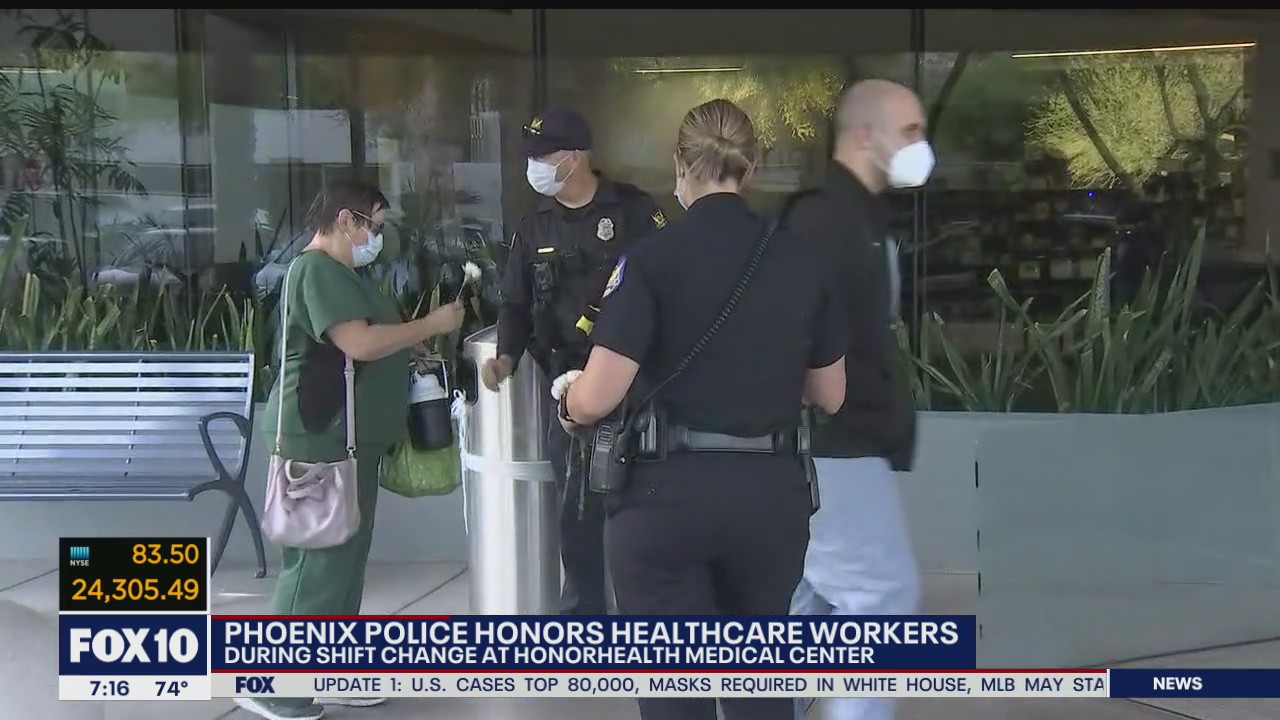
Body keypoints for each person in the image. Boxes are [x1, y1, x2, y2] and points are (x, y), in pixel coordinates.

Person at [556, 98, 848, 720]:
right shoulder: (801, 260)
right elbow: (830, 394)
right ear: (752, 166)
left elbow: (598, 395)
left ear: (679, 164)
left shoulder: (652, 260)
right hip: (771, 499)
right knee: (762, 692)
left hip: (665, 501)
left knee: (673, 696)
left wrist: (571, 403)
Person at [237, 179, 465, 720]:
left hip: (352, 441)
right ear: (347, 219)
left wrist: (409, 351)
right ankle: (277, 686)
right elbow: (358, 342)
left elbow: (371, 343)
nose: (377, 238)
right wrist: (428, 325)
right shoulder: (314, 270)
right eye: (376, 226)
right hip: (318, 437)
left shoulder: (345, 274)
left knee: (346, 560)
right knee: (318, 564)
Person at [481, 108, 665, 616]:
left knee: (638, 507)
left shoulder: (633, 212)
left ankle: (645, 613)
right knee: (576, 508)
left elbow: (669, 291)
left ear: (577, 156)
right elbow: (515, 305)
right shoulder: (533, 225)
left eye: (544, 156)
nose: (535, 166)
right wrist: (504, 357)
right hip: (565, 389)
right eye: (532, 157)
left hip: (635, 386)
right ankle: (585, 614)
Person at [787, 80, 928, 720]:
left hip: (845, 442)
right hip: (833, 444)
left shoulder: (862, 217)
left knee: (812, 604)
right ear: (864, 136)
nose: (921, 147)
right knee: (880, 598)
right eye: (910, 132)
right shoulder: (822, 219)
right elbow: (793, 333)